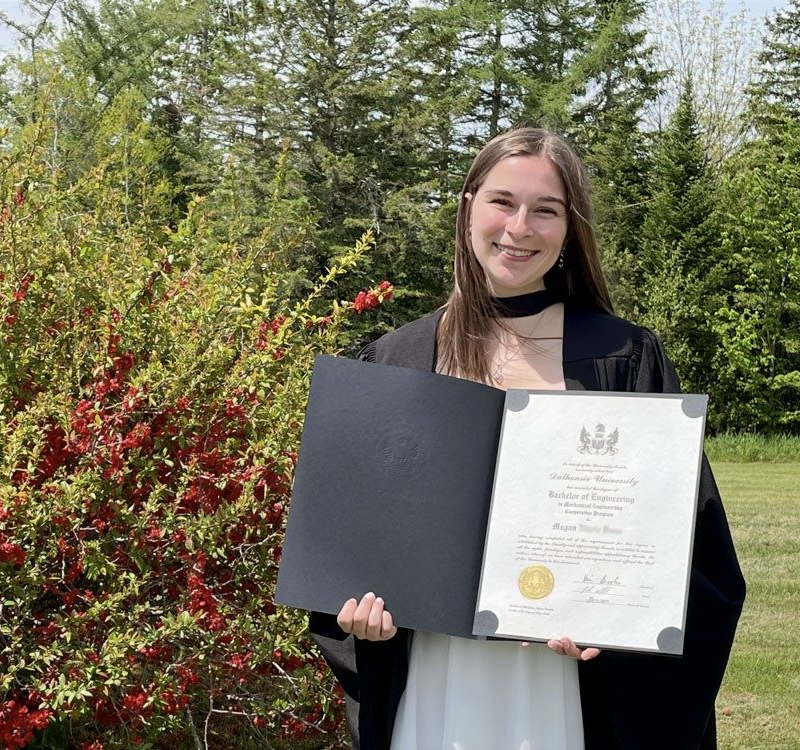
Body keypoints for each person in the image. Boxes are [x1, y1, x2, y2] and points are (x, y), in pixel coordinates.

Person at [308, 128, 745, 749]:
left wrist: (616, 624)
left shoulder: (621, 358)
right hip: (437, 676)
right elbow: (350, 545)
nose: (519, 227)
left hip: (564, 684)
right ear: (467, 210)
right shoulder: (400, 361)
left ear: (570, 230)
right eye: (502, 201)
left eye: (546, 210)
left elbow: (689, 547)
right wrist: (357, 618)